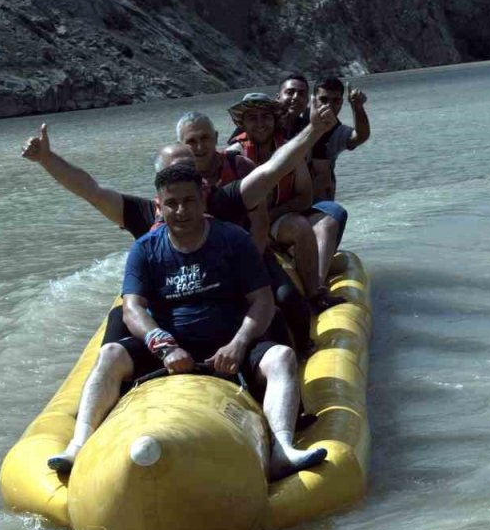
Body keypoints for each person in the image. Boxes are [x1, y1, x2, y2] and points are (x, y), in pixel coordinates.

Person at [45, 163, 328, 480]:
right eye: (172, 203)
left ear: (203, 201)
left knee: (282, 357)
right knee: (110, 354)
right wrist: (164, 347)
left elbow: (262, 300)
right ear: (159, 206)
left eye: (189, 201)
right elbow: (132, 308)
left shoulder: (233, 240)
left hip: (229, 344)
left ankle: (281, 449)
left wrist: (238, 344)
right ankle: (79, 445)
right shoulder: (145, 250)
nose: (181, 210)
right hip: (171, 346)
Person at [20, 104, 339, 350]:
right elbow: (89, 188)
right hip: (174, 296)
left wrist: (312, 131)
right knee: (118, 318)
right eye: (176, 173)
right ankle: (112, 392)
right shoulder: (143, 212)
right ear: (159, 184)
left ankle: (302, 358)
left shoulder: (222, 199)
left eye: (190, 171)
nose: (184, 184)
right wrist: (47, 159)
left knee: (286, 301)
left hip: (232, 284)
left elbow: (272, 170)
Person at [226, 93, 341, 311]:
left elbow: (304, 196)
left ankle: (315, 289)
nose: (260, 124)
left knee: (327, 222)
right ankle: (308, 294)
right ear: (242, 123)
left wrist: (271, 216)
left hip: (278, 219)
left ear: (275, 119)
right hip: (246, 227)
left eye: (265, 117)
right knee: (298, 225)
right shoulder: (233, 155)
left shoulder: (288, 151)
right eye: (253, 118)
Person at [307, 77, 370, 202]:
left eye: (335, 101)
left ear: (341, 102)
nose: (329, 105)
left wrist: (357, 107)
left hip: (320, 196)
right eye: (323, 100)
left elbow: (360, 136)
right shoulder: (297, 121)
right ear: (313, 100)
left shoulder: (337, 131)